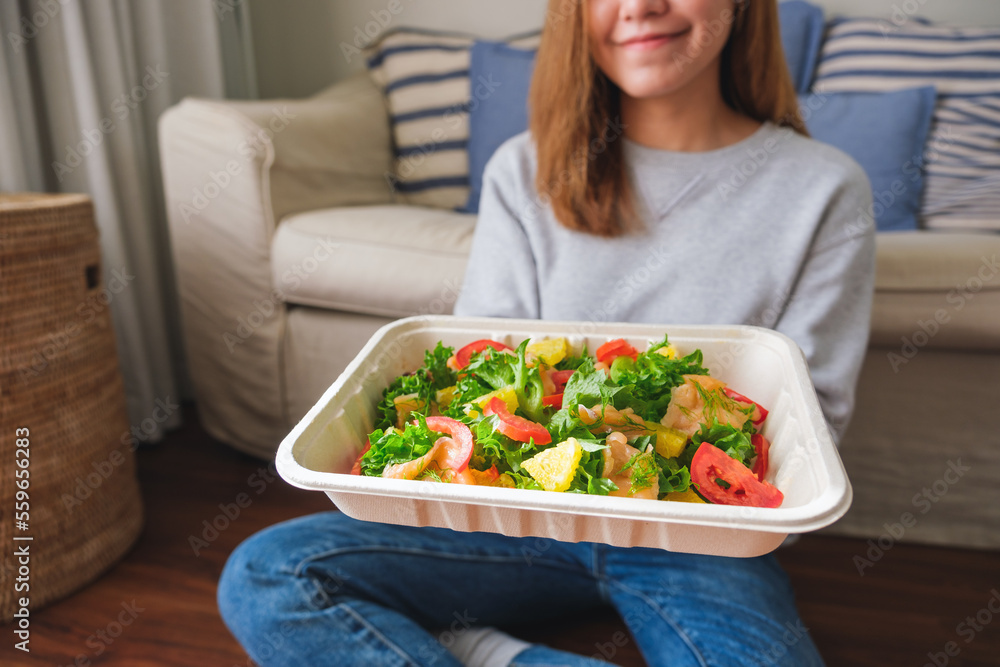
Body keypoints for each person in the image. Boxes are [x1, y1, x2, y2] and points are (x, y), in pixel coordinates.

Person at [217, 0, 875, 665]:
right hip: (514, 521)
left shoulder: (825, 188)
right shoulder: (524, 168)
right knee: (268, 576)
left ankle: (480, 653)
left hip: (700, 539)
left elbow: (806, 427)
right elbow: (482, 379)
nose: (640, 7)